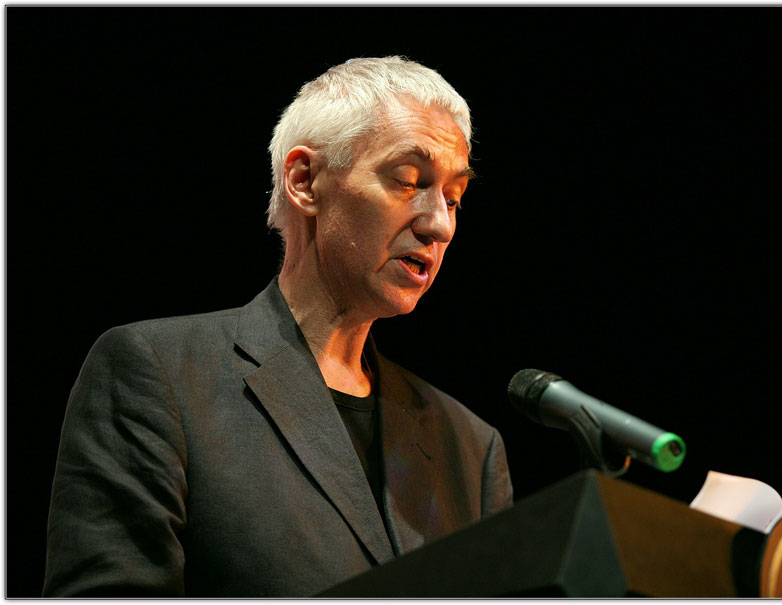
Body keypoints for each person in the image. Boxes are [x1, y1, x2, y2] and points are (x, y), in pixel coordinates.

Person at [43, 56, 514, 597]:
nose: (441, 225)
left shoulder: (472, 450)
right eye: (408, 182)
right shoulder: (160, 374)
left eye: (454, 198)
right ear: (304, 181)